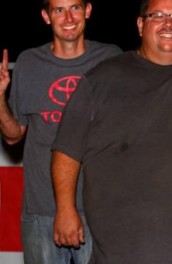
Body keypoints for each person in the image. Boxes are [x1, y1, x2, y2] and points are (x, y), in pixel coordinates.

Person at [51, 0, 172, 262]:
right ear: (140, 24)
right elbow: (66, 150)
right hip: (121, 252)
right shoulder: (102, 80)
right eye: (158, 15)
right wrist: (65, 209)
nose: (168, 23)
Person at [0, 0, 121, 263]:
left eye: (75, 8)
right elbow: (13, 134)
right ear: (46, 16)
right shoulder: (30, 62)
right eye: (58, 10)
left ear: (88, 10)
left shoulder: (111, 59)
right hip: (41, 210)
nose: (68, 17)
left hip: (98, 209)